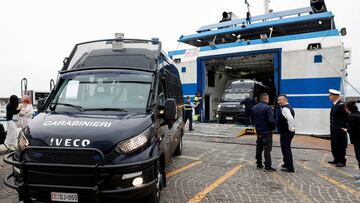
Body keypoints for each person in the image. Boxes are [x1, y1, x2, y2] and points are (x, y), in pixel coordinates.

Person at [251, 93, 276, 171]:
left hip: (259, 131)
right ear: (266, 99)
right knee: (267, 149)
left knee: (259, 148)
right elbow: (271, 120)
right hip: (267, 131)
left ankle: (259, 164)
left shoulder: (254, 108)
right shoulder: (268, 108)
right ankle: (267, 166)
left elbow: (252, 120)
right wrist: (273, 128)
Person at [328, 89, 348, 167]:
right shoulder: (334, 104)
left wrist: (345, 127)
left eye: (330, 95)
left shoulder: (341, 105)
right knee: (334, 144)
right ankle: (336, 159)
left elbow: (346, 117)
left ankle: (342, 161)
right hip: (333, 129)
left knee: (340, 145)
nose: (329, 96)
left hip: (340, 129)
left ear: (335, 96)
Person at [277, 95, 296, 173]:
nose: (278, 102)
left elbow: (290, 118)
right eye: (278, 100)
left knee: (286, 149)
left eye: (280, 100)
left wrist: (291, 128)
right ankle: (286, 164)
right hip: (286, 132)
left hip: (286, 132)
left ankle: (290, 168)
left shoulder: (285, 108)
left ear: (285, 100)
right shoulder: (288, 107)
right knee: (285, 148)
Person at [343, 101, 360, 183]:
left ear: (347, 108)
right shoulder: (358, 114)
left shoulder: (352, 117)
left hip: (358, 141)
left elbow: (351, 130)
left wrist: (346, 130)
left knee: (359, 157)